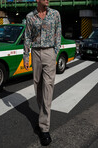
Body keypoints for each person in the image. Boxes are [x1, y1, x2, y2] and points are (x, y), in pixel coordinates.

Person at [23, 0, 61, 146]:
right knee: (38, 86)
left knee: (48, 87)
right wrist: (26, 56)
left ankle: (44, 128)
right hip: (36, 54)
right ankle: (42, 116)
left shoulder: (55, 14)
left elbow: (58, 34)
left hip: (49, 52)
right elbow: (27, 37)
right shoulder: (30, 17)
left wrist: (54, 53)